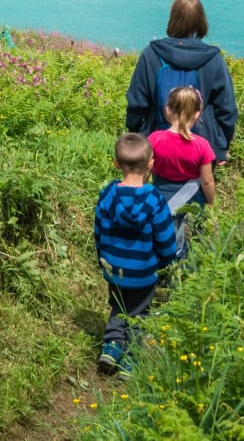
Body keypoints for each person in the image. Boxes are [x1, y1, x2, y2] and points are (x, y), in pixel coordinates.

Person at [93, 133, 179, 376]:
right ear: (151, 164)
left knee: (118, 305)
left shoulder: (108, 194)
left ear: (116, 163)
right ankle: (130, 361)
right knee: (138, 313)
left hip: (114, 268)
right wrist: (167, 265)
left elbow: (98, 229)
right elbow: (165, 238)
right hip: (144, 271)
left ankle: (111, 347)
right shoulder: (154, 200)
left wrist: (103, 258)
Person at [126, 0, 237, 164]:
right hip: (202, 145)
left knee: (162, 189)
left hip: (159, 143)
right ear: (201, 21)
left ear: (172, 19)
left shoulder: (152, 54)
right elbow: (227, 107)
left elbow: (137, 102)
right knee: (202, 188)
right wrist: (222, 145)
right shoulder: (212, 58)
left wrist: (136, 135)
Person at [148, 86, 217, 207]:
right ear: (197, 114)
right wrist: (210, 203)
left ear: (168, 109)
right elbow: (207, 181)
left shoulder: (154, 139)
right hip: (191, 201)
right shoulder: (202, 145)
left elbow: (144, 171)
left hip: (159, 200)